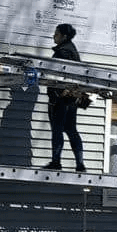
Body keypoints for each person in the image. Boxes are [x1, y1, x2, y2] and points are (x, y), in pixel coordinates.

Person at [43, 23, 87, 173]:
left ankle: (56, 162)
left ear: (64, 36)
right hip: (71, 99)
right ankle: (80, 164)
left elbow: (59, 76)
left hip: (61, 98)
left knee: (57, 130)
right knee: (71, 129)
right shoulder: (72, 50)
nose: (53, 36)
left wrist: (56, 94)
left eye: (56, 34)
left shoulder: (63, 52)